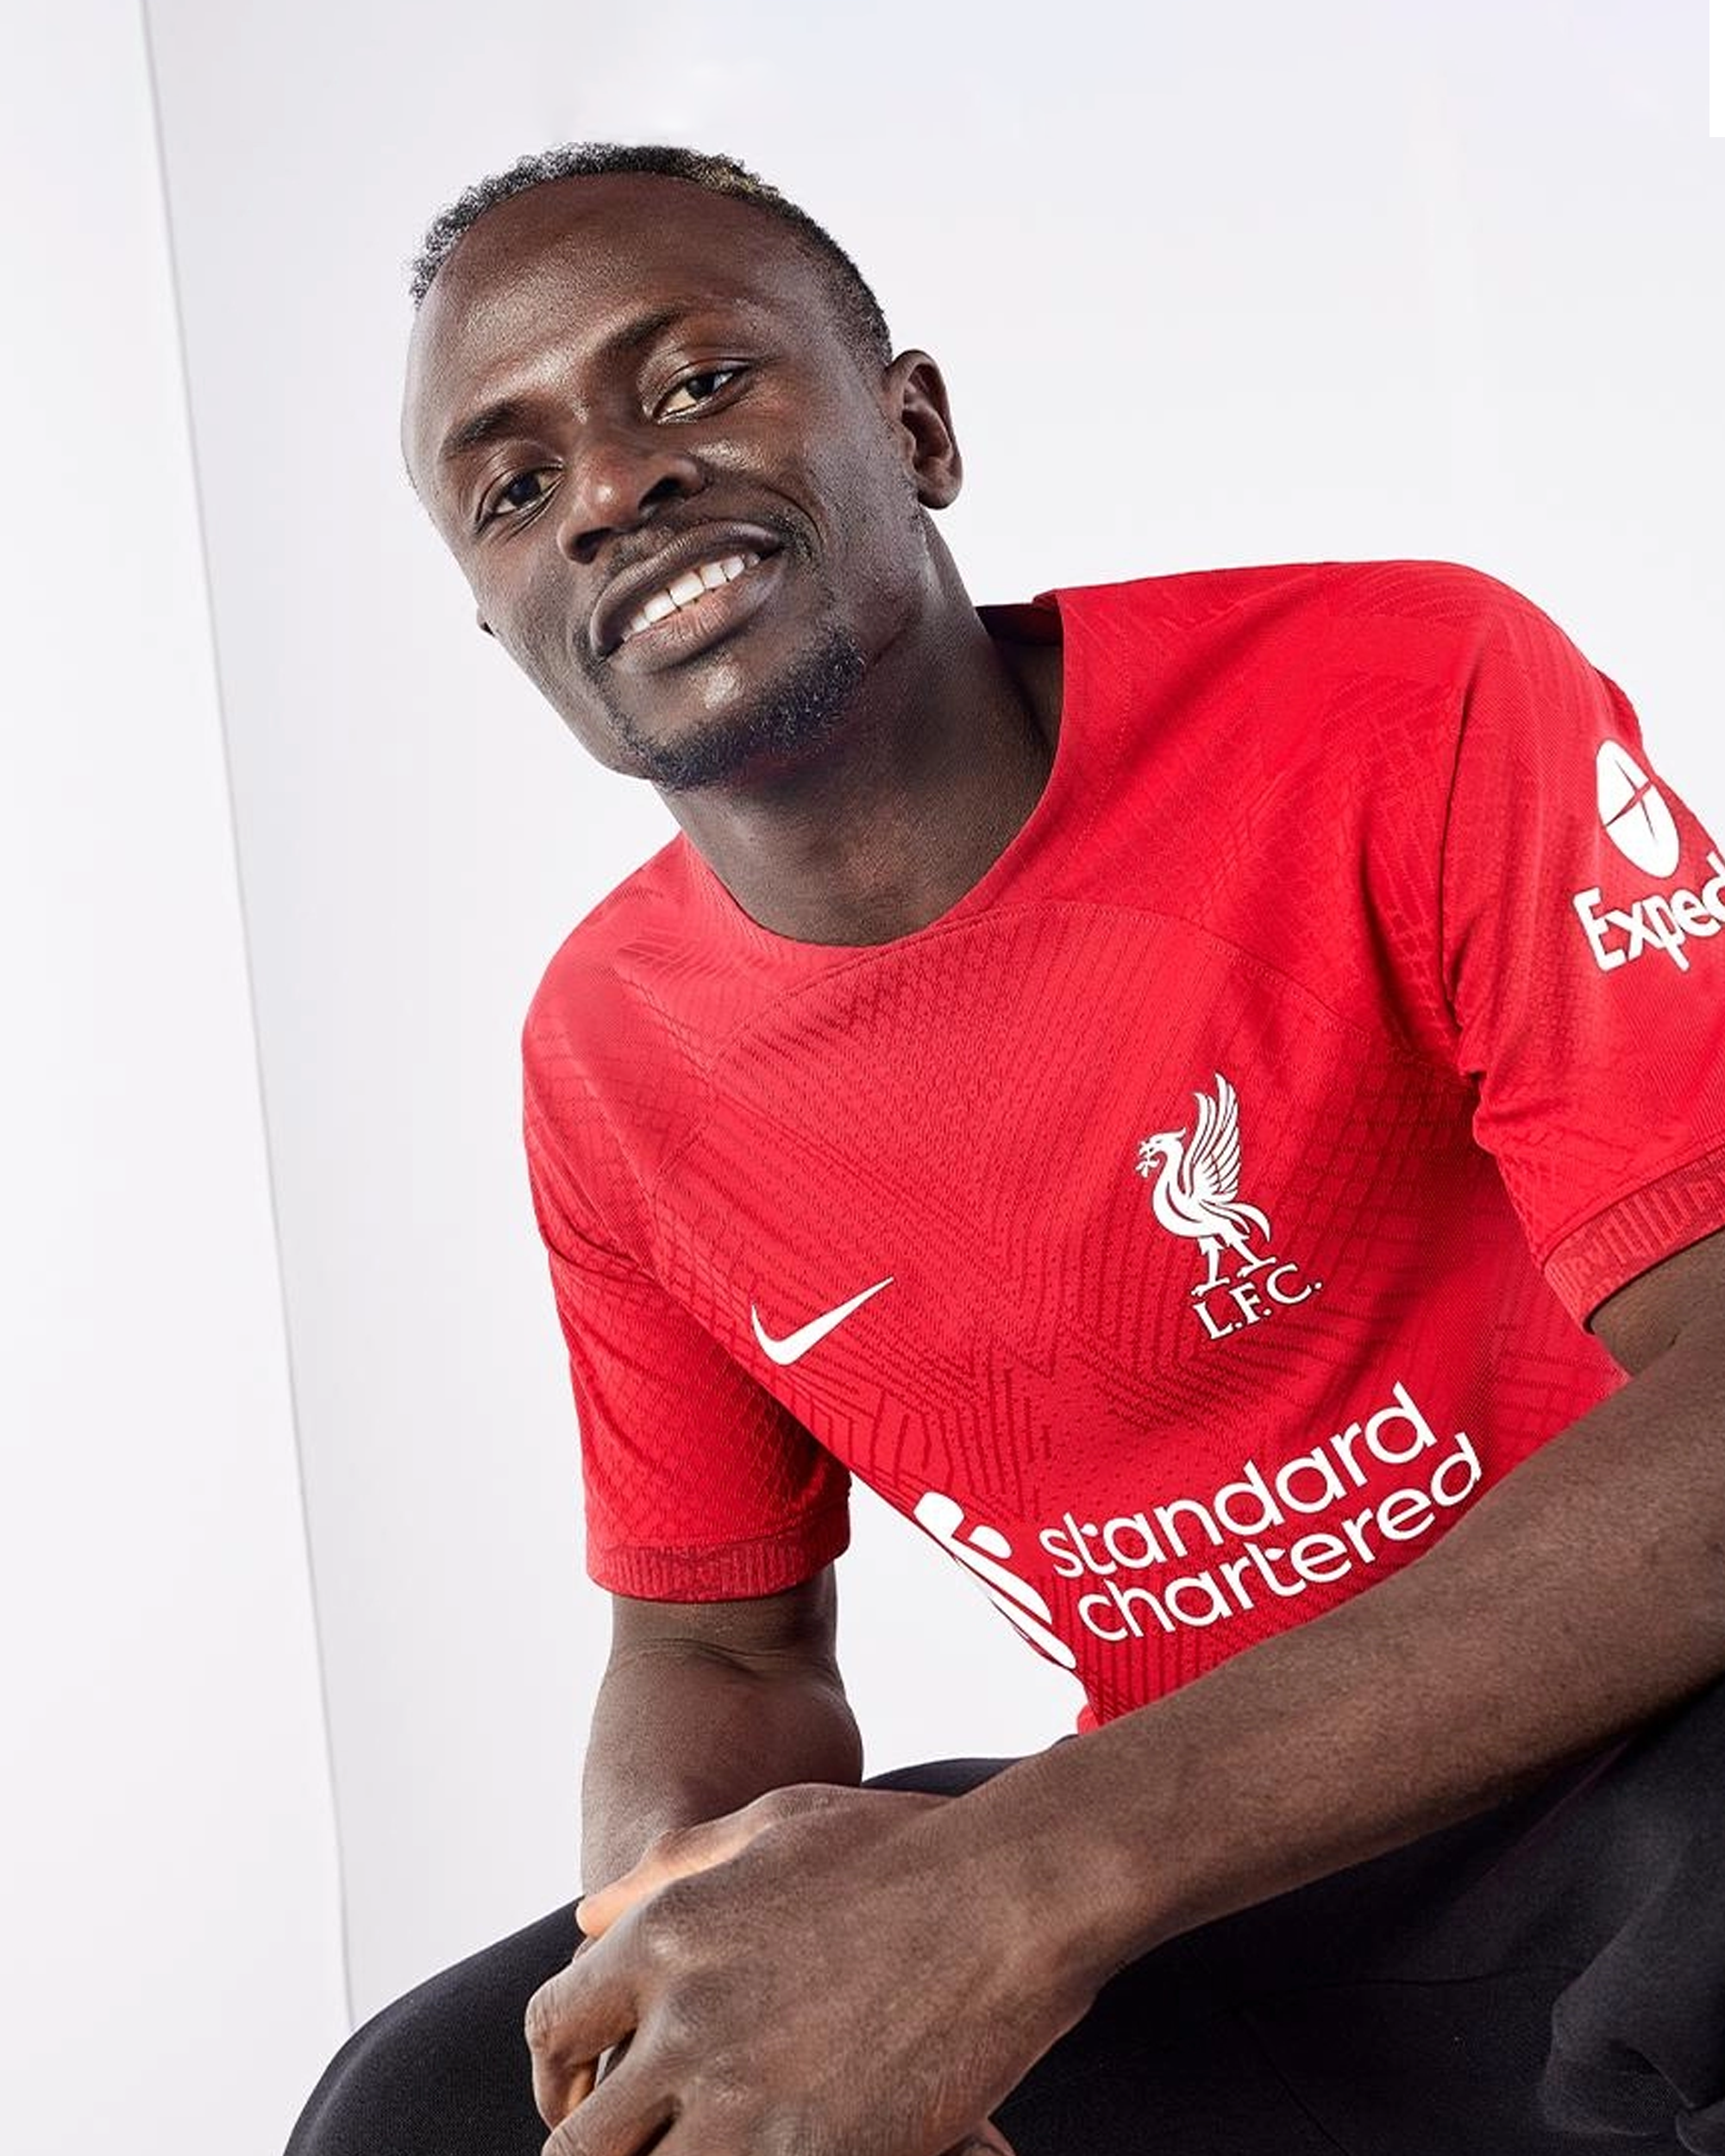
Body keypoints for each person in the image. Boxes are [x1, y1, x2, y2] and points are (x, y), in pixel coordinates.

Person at [287, 142, 1725, 2156]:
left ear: (916, 430)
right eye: (514, 489)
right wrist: (697, 1968)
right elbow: (717, 1640)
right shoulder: (606, 1051)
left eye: (695, 382)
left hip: (1629, 1779)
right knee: (428, 2108)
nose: (609, 488)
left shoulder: (1403, 693)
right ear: (505, 625)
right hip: (1226, 1925)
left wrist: (1011, 1892)